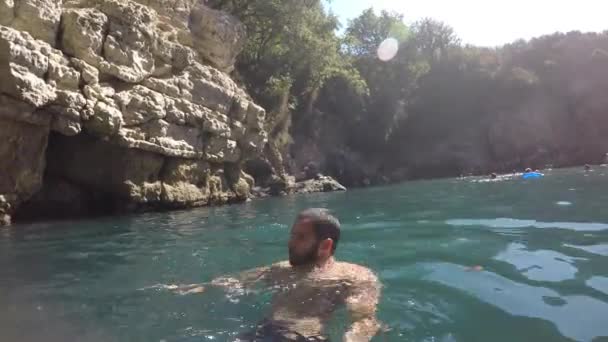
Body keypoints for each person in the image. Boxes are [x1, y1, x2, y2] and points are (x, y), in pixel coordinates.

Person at [173, 208, 381, 341]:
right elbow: (237, 281)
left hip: (303, 337)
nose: (290, 243)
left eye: (300, 237)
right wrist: (198, 287)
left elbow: (364, 320)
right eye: (292, 235)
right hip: (261, 333)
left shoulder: (355, 276)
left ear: (325, 246)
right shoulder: (280, 269)